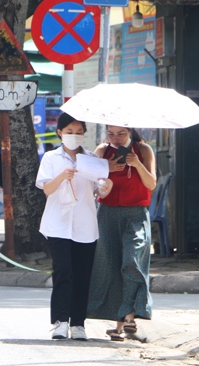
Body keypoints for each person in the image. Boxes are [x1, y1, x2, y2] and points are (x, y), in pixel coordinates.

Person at [36, 113, 113, 340]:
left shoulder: (91, 159)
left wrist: (106, 187)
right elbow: (47, 189)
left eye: (79, 133)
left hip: (85, 226)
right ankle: (60, 321)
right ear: (60, 132)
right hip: (57, 225)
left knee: (82, 274)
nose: (74, 136)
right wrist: (62, 176)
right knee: (63, 271)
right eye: (69, 132)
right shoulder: (51, 158)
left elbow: (99, 191)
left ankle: (78, 323)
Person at [88, 125, 156, 341]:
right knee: (111, 265)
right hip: (108, 214)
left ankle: (131, 312)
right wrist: (105, 169)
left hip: (136, 213)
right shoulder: (102, 151)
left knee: (132, 260)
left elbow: (151, 183)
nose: (115, 138)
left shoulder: (143, 150)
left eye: (121, 134)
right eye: (111, 134)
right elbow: (91, 186)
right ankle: (122, 322)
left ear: (130, 131)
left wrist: (137, 164)